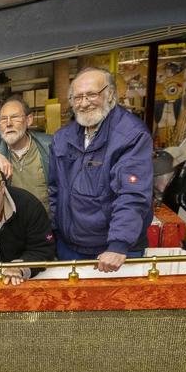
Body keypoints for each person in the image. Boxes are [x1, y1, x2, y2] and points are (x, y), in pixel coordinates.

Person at [49, 67, 153, 272]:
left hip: (112, 253)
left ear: (110, 94)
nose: (84, 103)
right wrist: (53, 232)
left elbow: (132, 195)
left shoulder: (131, 135)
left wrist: (119, 243)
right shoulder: (62, 137)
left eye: (91, 95)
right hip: (69, 246)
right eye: (78, 97)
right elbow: (54, 190)